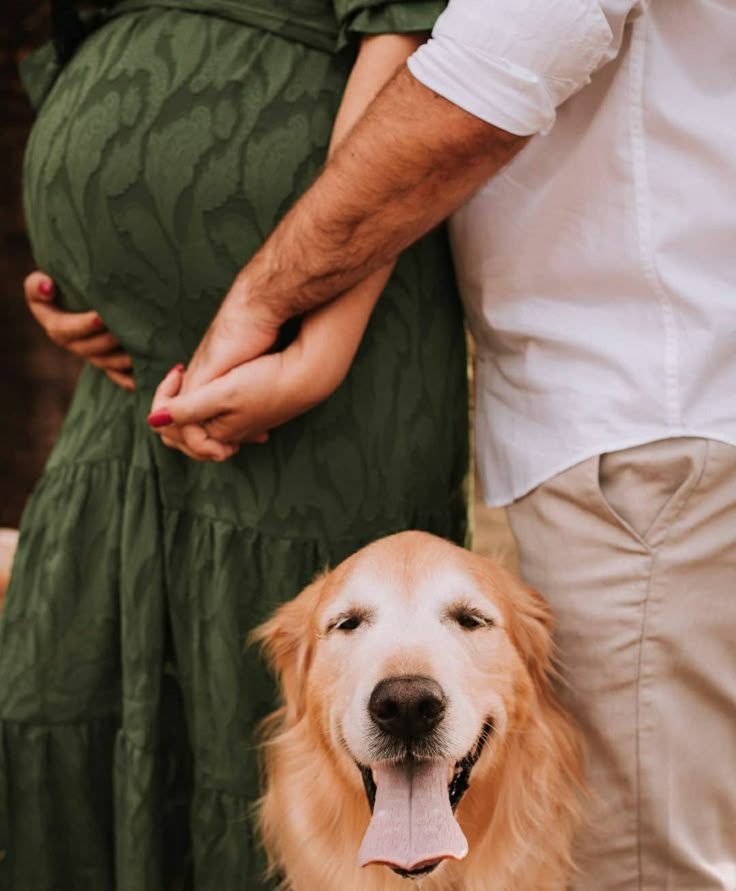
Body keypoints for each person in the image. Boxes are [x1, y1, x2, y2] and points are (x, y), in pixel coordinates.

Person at [149, 1, 736, 889]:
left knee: (640, 869)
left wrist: (264, 306)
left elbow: (488, 75)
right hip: (622, 411)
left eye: (468, 621)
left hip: (641, 406)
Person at [1, 2, 471, 889]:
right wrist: (75, 270)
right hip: (127, 399)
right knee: (76, 690)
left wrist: (320, 349)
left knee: (286, 733)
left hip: (324, 371)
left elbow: (407, 43)